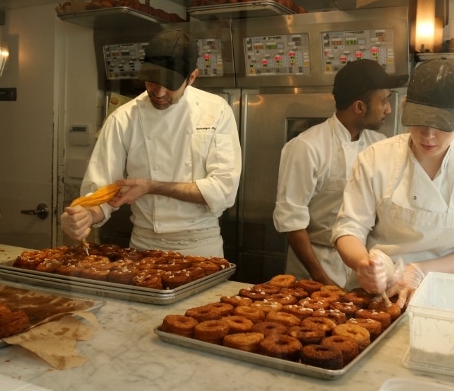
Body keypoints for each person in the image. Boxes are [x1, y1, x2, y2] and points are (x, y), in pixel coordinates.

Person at [332, 58, 454, 307]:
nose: (428, 135)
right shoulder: (376, 158)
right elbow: (348, 228)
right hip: (374, 297)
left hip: (444, 299)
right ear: (405, 106)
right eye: (420, 120)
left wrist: (420, 271)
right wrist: (363, 263)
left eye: (441, 125)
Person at [61, 29, 242, 257]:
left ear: (192, 77)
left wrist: (153, 186)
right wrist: (84, 215)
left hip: (201, 245)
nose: (159, 91)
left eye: (170, 84)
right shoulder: (124, 118)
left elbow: (223, 190)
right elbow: (102, 193)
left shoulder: (216, 111)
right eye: (153, 80)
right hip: (143, 245)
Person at [273, 59, 408, 286]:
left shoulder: (380, 144)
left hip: (364, 263)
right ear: (359, 107)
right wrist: (322, 280)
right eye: (384, 100)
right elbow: (292, 223)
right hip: (316, 264)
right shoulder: (307, 147)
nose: (389, 109)